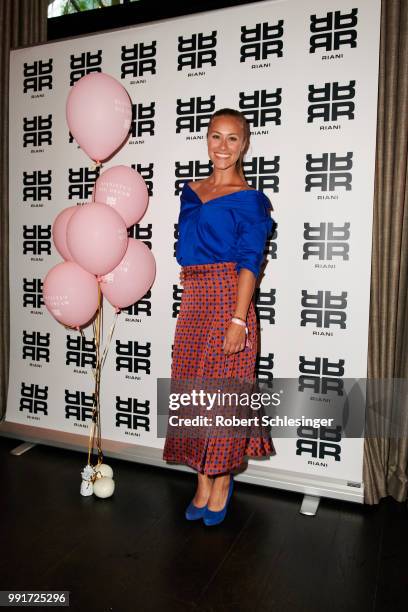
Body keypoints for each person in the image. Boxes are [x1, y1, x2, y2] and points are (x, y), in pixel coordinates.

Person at [162, 108, 276, 526]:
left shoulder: (250, 200)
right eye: (216, 136)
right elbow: (188, 245)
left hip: (230, 299)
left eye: (232, 138)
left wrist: (239, 319)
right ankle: (202, 478)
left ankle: (222, 480)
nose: (223, 146)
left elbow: (250, 261)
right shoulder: (191, 191)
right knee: (194, 395)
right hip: (194, 299)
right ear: (206, 140)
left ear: (244, 144)